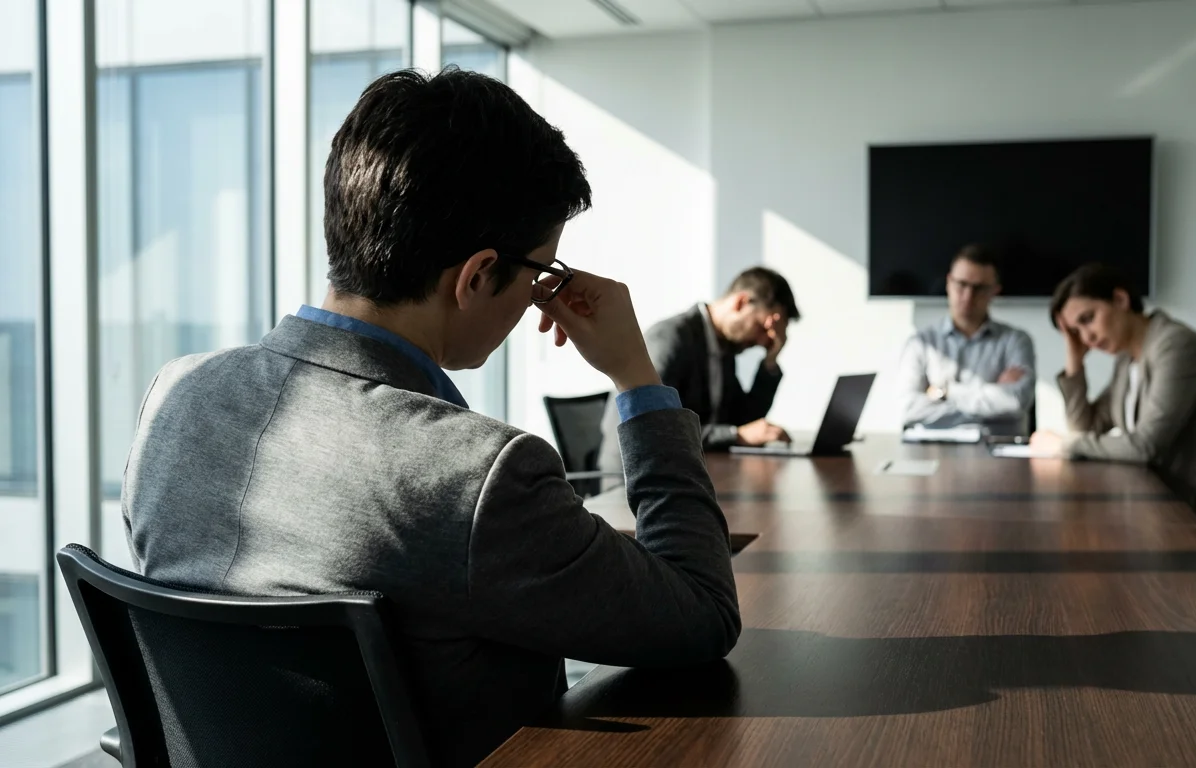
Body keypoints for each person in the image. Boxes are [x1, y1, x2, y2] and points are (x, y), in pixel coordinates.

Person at [121, 68, 740, 767]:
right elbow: (702, 615)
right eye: (543, 273)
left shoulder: (174, 398)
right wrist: (636, 377)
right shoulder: (476, 476)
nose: (541, 295)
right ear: (477, 276)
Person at [1029, 264, 1196, 580]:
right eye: (1076, 332)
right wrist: (1074, 360)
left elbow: (1146, 446)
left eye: (1088, 320)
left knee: (1090, 553)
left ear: (1120, 299)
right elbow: (1087, 427)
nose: (1088, 337)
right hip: (1176, 509)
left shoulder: (1176, 346)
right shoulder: (1129, 360)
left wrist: (1064, 445)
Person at [597, 267, 800, 480]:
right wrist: (735, 435)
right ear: (741, 303)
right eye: (762, 327)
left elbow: (745, 421)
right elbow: (655, 427)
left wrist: (770, 360)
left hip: (688, 473)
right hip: (634, 481)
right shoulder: (671, 339)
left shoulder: (723, 347)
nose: (762, 341)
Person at [897, 245, 1036, 432]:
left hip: (997, 451)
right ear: (948, 283)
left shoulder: (1016, 340)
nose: (968, 296)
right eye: (961, 284)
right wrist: (991, 397)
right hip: (933, 451)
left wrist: (944, 393)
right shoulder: (921, 343)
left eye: (979, 288)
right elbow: (909, 408)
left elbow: (1015, 401)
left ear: (994, 291)